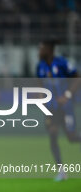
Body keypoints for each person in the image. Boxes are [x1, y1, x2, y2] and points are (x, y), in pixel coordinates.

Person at [37, 39, 80, 181]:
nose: (39, 51)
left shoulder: (62, 63)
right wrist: (40, 95)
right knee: (53, 133)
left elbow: (77, 77)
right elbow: (39, 83)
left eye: (42, 48)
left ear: (49, 50)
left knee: (72, 137)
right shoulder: (40, 66)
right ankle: (62, 172)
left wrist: (67, 95)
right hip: (51, 108)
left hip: (65, 107)